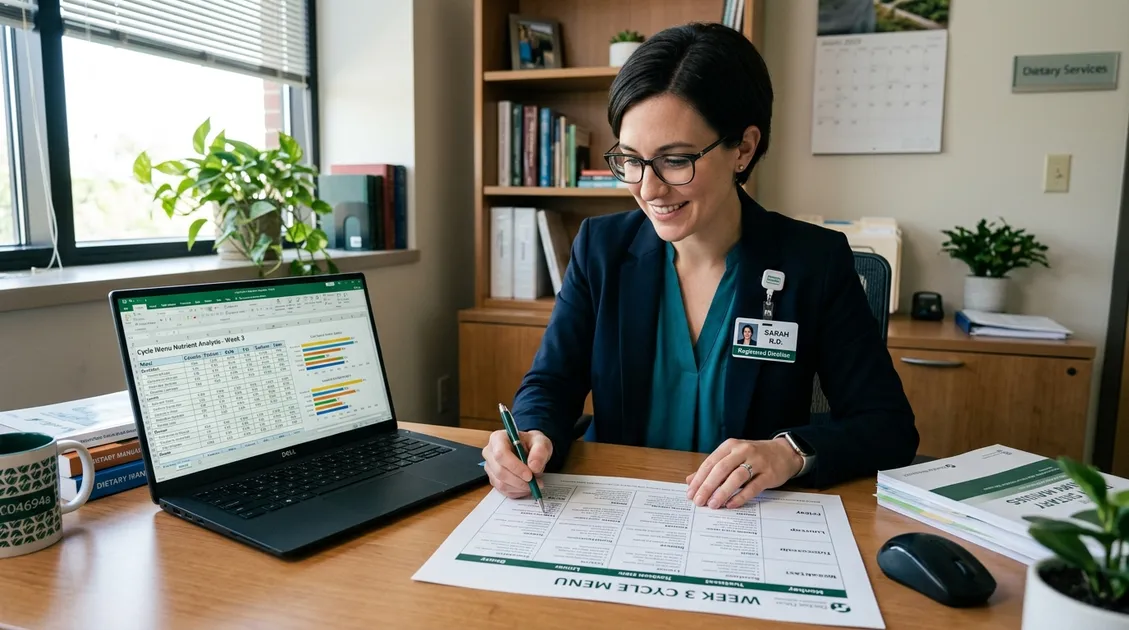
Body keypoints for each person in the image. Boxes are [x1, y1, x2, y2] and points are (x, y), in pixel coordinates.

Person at [481, 22, 917, 510]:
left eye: (675, 160)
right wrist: (531, 434)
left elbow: (888, 426)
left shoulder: (813, 261)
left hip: (744, 518)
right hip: (616, 508)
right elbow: (551, 383)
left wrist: (789, 453)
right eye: (631, 160)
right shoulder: (601, 249)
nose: (648, 189)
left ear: (743, 149)